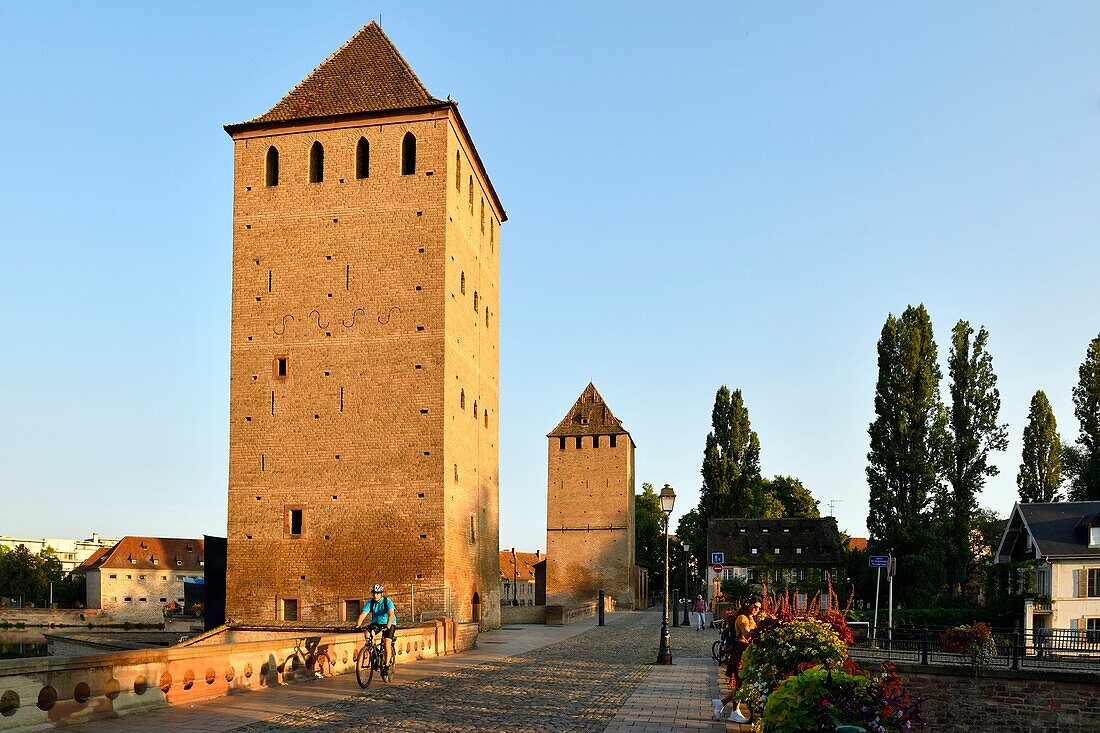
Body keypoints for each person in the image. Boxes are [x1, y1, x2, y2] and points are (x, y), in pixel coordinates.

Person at [712, 596, 762, 723]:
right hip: (741, 651)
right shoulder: (743, 618)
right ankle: (734, 711)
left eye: (759, 608)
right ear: (748, 604)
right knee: (740, 683)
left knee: (740, 684)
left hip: (745, 652)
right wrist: (762, 629)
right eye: (754, 606)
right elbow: (746, 634)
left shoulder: (750, 618)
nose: (756, 609)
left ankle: (722, 704)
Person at [356, 583, 397, 676]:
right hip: (376, 623)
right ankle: (372, 649)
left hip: (389, 623)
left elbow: (391, 614)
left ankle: (386, 666)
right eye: (374, 593)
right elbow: (363, 614)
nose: (375, 595)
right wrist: (357, 625)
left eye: (378, 593)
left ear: (381, 594)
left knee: (387, 643)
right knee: (367, 633)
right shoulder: (370, 603)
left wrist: (388, 625)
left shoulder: (387, 601)